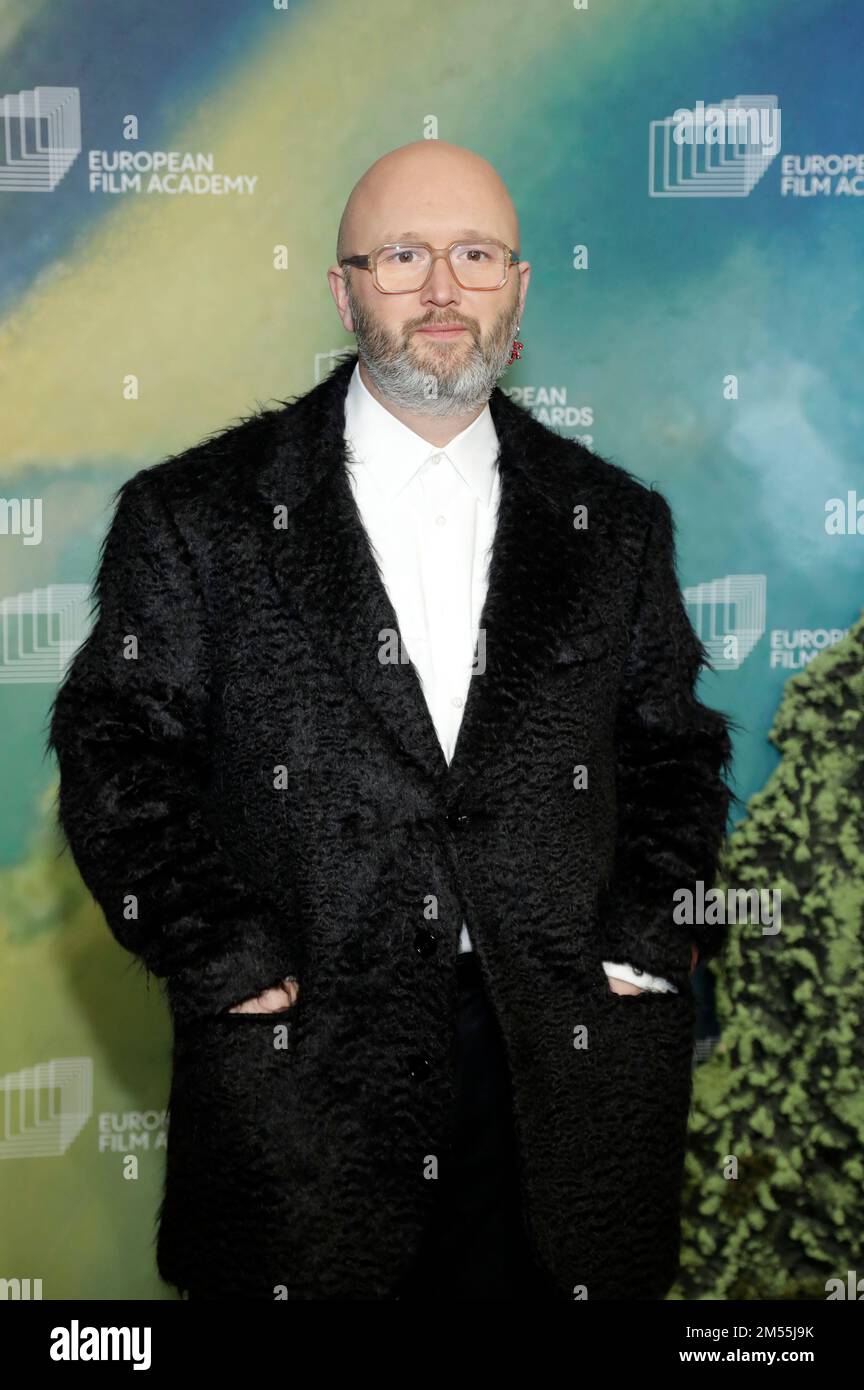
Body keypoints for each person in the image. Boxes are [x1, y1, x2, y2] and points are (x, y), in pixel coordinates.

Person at [48, 139, 734, 1300]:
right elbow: (117, 750)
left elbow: (675, 752)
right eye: (403, 254)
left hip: (560, 1079)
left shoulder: (614, 524)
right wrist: (221, 954)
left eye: (474, 255)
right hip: (305, 1075)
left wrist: (644, 941)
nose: (441, 289)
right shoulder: (195, 516)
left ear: (519, 286)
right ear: (343, 287)